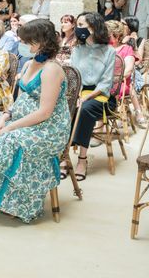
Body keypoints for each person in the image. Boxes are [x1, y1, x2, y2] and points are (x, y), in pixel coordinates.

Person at [0, 19, 70, 222]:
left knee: (4, 144)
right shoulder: (30, 64)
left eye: (27, 42)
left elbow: (45, 112)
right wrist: (4, 117)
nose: (23, 45)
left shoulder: (51, 69)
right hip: (20, 121)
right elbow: (20, 99)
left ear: (42, 42)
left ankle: (13, 202)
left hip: (47, 129)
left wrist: (10, 128)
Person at [65, 12, 116, 181]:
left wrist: (86, 97)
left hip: (100, 95)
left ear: (93, 28)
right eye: (77, 25)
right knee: (64, 107)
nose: (77, 28)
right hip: (79, 91)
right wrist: (76, 94)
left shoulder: (109, 51)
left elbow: (106, 83)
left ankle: (82, 159)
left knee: (84, 108)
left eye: (81, 25)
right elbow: (72, 76)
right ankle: (64, 156)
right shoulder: (77, 50)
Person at [107, 20, 145, 125]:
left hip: (121, 82)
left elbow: (128, 71)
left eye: (107, 34)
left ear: (117, 35)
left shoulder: (126, 49)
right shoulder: (104, 49)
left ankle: (136, 111)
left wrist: (113, 79)